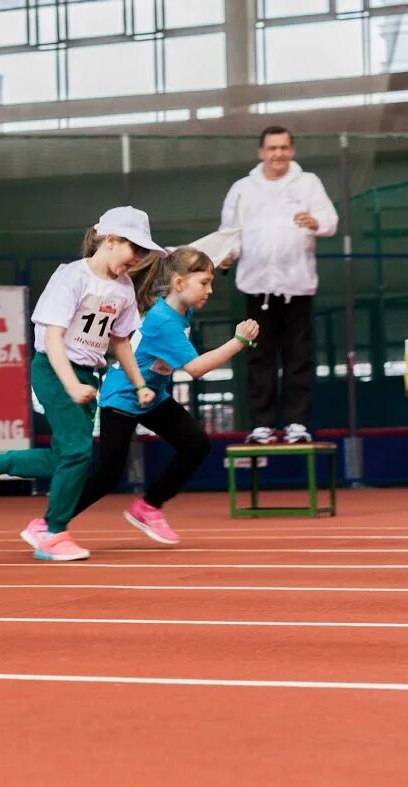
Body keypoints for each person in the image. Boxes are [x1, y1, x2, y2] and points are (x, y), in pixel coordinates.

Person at [0, 206, 163, 562]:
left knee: (64, 455)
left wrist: (139, 383)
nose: (139, 258)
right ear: (111, 240)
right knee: (78, 453)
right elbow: (53, 338)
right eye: (135, 248)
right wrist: (69, 385)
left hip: (86, 375)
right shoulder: (72, 277)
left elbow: (119, 341)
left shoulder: (124, 288)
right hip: (54, 371)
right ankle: (51, 533)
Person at [68, 247, 259, 544]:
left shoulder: (183, 309)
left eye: (211, 283)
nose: (209, 290)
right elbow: (195, 369)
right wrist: (238, 342)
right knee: (107, 475)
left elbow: (180, 265)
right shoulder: (163, 321)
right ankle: (52, 522)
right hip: (122, 396)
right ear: (179, 284)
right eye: (204, 283)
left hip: (152, 395)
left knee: (196, 444)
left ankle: (148, 506)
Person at [222, 125, 337, 445]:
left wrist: (316, 223)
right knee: (259, 358)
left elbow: (330, 221)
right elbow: (230, 233)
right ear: (261, 152)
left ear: (292, 150)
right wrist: (226, 256)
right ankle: (262, 426)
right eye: (272, 148)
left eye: (284, 148)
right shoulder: (243, 188)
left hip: (297, 286)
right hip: (256, 287)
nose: (278, 154)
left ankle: (297, 424)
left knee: (298, 357)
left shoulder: (308, 183)